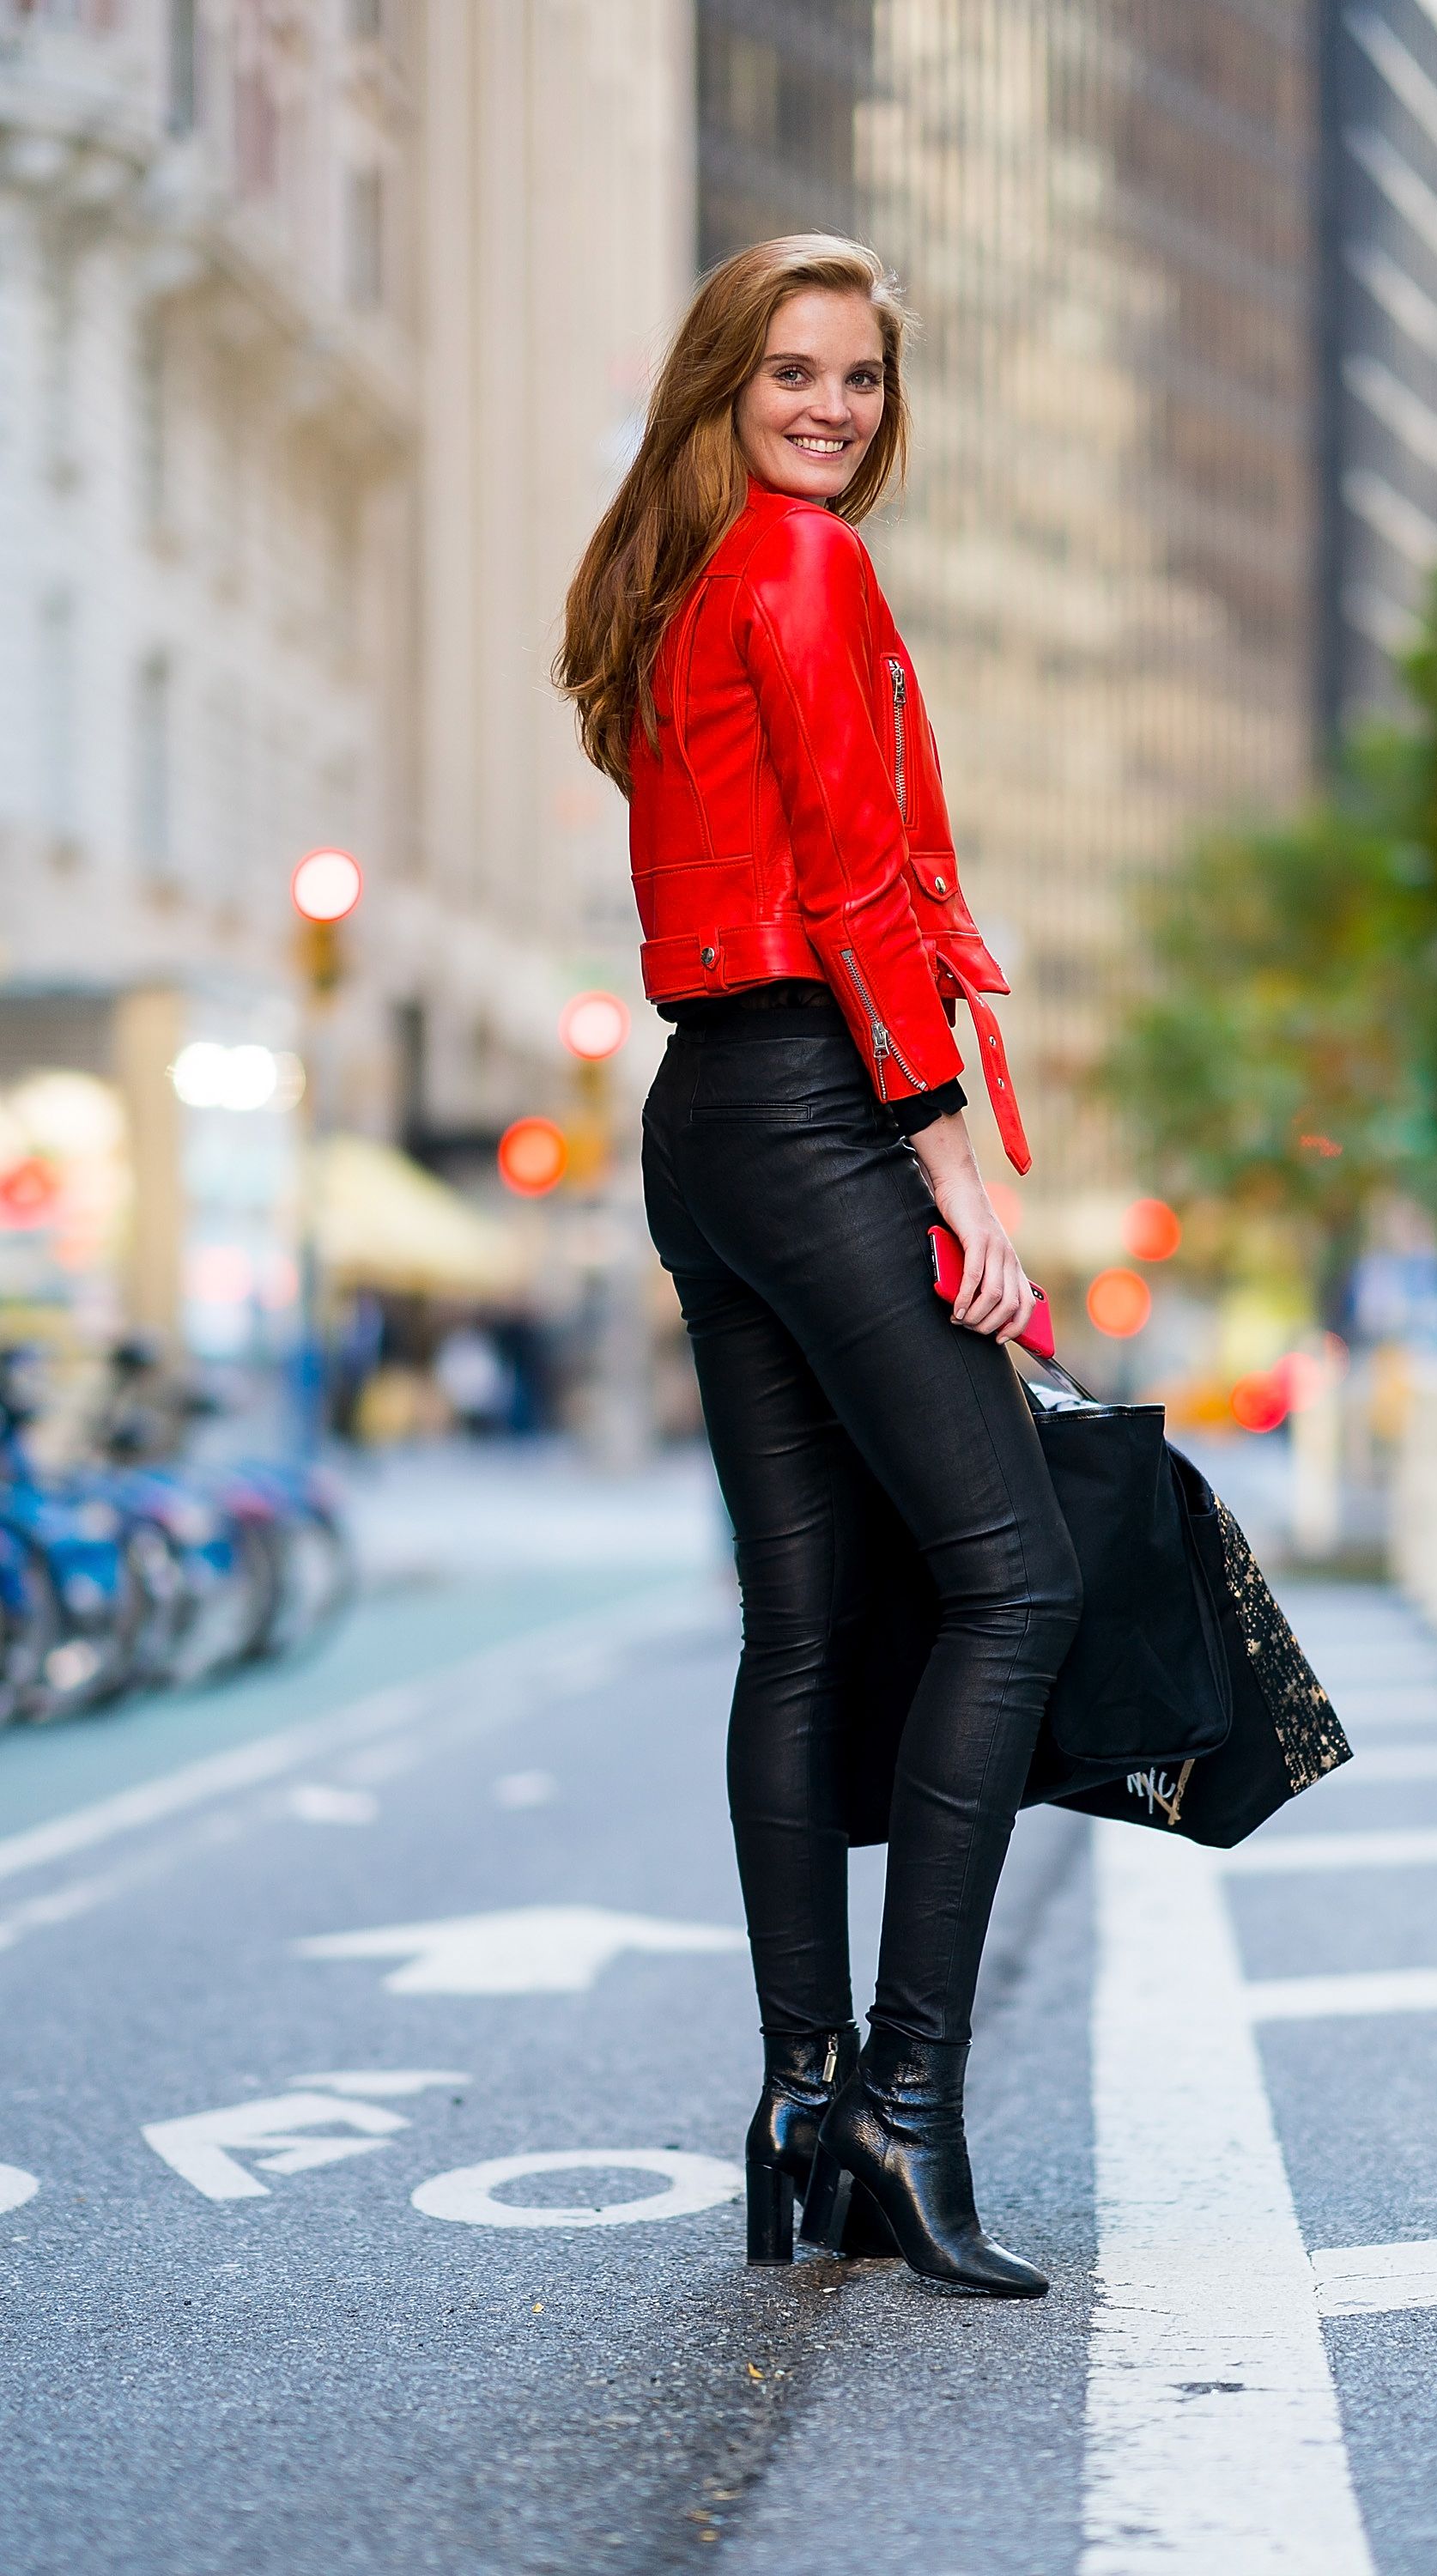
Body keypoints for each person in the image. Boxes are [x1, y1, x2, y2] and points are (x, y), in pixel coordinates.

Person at [555, 235, 1081, 2298]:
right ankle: (907, 2104)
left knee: (801, 1620)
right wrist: (956, 1168)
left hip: (705, 1120)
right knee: (1013, 1577)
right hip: (815, 1100)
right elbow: (861, 882)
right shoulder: (797, 566)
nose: (834, 409)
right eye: (795, 370)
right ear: (724, 383)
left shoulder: (669, 589)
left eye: (859, 377)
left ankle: (800, 2096)